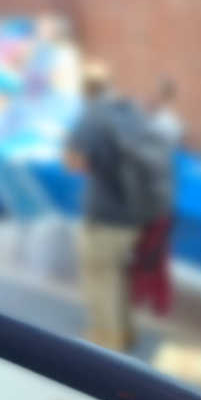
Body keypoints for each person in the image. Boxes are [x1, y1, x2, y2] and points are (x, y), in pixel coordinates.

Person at [65, 62, 174, 352]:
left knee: (98, 276)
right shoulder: (129, 109)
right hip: (138, 215)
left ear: (84, 89)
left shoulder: (91, 118)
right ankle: (126, 331)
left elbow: (73, 163)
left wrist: (74, 148)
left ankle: (105, 341)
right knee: (118, 273)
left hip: (106, 217)